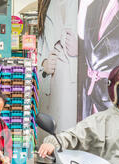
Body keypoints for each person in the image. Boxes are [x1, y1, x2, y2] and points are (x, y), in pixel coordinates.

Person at [37, 0, 78, 132]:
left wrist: (81, 49)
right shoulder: (47, 5)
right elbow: (40, 46)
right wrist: (44, 64)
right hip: (51, 84)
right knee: (51, 137)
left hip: (75, 83)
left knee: (69, 133)